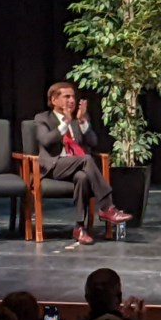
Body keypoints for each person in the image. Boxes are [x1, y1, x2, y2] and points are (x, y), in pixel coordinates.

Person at [34, 82, 132, 245]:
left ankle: (79, 228)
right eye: (66, 97)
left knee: (82, 177)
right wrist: (65, 123)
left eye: (73, 97)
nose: (72, 100)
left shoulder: (78, 119)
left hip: (77, 166)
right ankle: (107, 207)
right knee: (86, 158)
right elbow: (46, 140)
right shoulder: (42, 118)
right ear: (54, 100)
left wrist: (82, 122)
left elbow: (94, 142)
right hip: (54, 165)